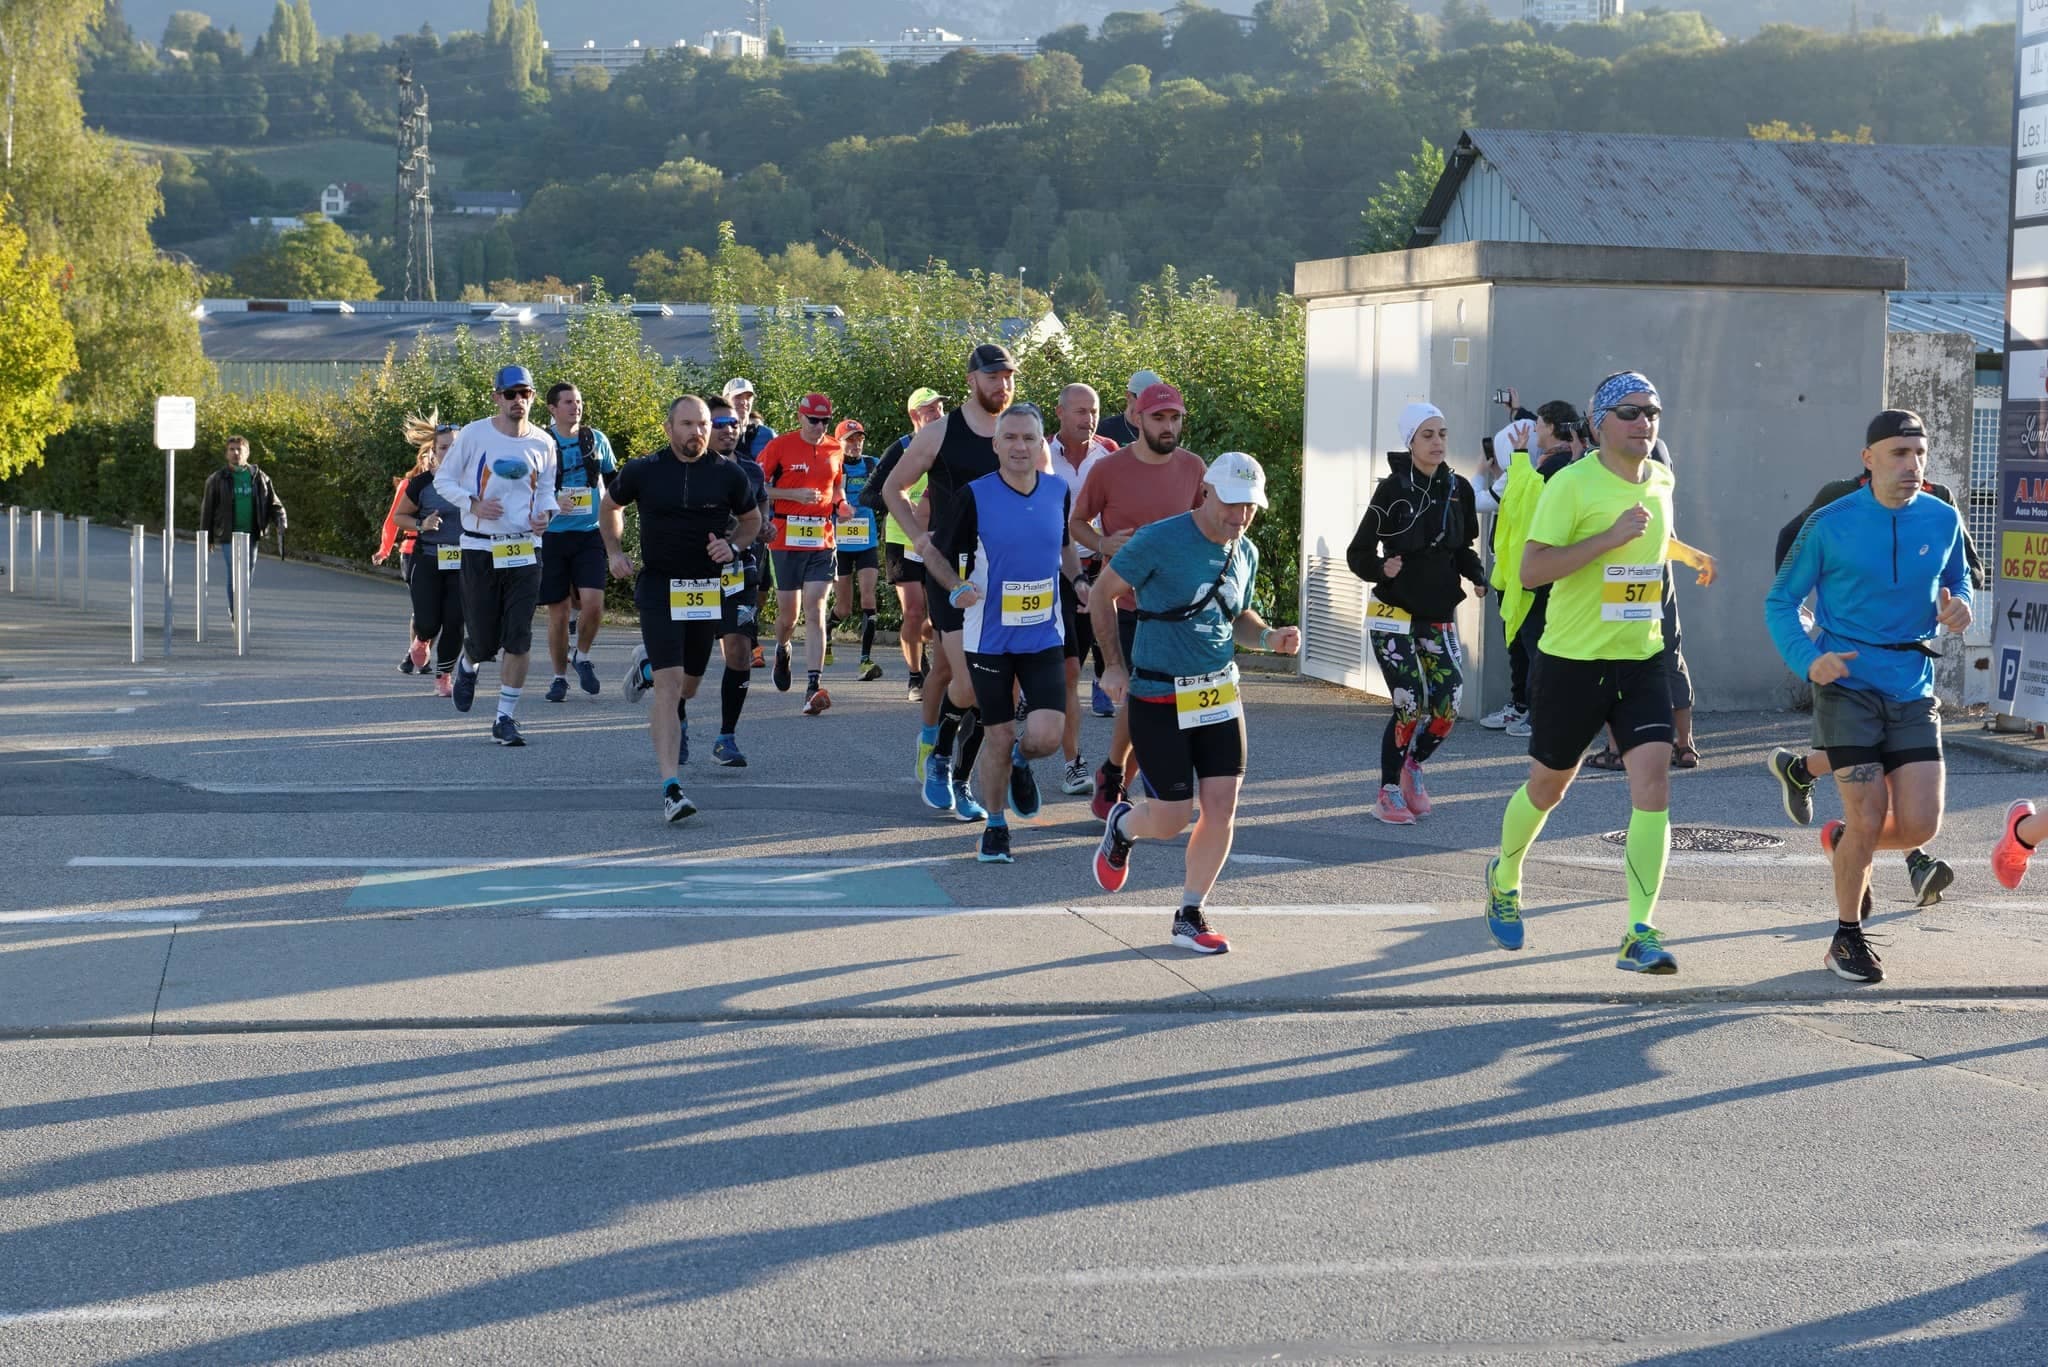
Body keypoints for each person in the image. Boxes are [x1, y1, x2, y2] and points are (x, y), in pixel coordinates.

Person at [1481, 372, 1694, 974]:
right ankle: (1505, 872)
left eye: (1652, 411)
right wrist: (1608, 537)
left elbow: (1654, 542)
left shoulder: (1662, 479)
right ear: (1600, 422)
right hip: (1573, 661)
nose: (1643, 423)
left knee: (1654, 787)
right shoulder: (1570, 485)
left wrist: (1689, 554)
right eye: (1629, 412)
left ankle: (1638, 930)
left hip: (1641, 657)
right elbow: (1531, 570)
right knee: (1549, 788)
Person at [1765, 409, 1972, 984]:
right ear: (1869, 459)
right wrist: (1811, 660)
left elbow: (1960, 578)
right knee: (1869, 815)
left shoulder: (1942, 517)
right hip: (1848, 685)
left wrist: (1958, 604)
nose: (1912, 465)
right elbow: (1779, 601)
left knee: (1920, 827)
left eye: (1920, 454)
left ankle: (1843, 843)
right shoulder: (1831, 522)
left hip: (1912, 685)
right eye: (1899, 454)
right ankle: (1846, 937)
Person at [1089, 452, 1299, 954]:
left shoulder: (1242, 550)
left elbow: (1236, 614)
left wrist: (1269, 638)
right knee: (1171, 817)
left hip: (1220, 693)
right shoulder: (1159, 539)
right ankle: (1122, 824)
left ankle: (1190, 911)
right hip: (1159, 694)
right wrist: (1114, 667)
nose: (1240, 516)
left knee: (1222, 807)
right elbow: (1102, 594)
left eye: (1250, 507)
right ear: (1206, 492)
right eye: (1232, 504)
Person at [923, 405, 1085, 863]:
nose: (1019, 446)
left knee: (1047, 736)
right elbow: (936, 554)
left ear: (1041, 445)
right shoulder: (973, 496)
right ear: (996, 445)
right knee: (996, 735)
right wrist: (956, 588)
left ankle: (1020, 763)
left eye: (1028, 439)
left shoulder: (1058, 492)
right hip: (989, 639)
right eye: (1009, 438)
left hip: (1042, 636)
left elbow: (1065, 548)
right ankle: (995, 828)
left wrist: (1080, 581)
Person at [602, 395, 762, 822]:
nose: (698, 432)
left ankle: (646, 669)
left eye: (704, 424)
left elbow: (752, 522)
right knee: (671, 692)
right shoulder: (644, 470)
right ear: (669, 427)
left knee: (689, 686)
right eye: (688, 424)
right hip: (658, 586)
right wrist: (614, 551)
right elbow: (609, 506)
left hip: (704, 589)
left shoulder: (728, 473)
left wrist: (732, 545)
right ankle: (671, 788)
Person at [883, 344, 1021, 823]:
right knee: (970, 682)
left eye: (1007, 377)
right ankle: (941, 757)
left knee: (989, 688)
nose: (1001, 386)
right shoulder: (941, 434)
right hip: (952, 573)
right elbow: (891, 489)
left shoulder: (1019, 434)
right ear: (971, 380)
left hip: (1006, 575)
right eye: (992, 377)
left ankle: (951, 766)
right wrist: (921, 540)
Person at [1069, 381, 1210, 820]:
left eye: (1175, 418)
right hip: (1127, 605)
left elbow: (1203, 528)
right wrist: (1105, 544)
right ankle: (1118, 777)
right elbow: (1077, 524)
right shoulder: (1110, 469)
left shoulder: (1193, 467)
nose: (1168, 427)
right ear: (1137, 419)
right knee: (1139, 700)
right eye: (1158, 418)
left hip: (1181, 610)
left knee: (1166, 704)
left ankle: (1116, 775)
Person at [1346, 402, 1487, 826]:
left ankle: (1413, 765)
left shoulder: (1458, 488)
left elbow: (1462, 548)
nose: (1437, 442)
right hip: (1394, 610)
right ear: (1410, 442)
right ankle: (1387, 791)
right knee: (1409, 700)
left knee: (1448, 703)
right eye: (1427, 435)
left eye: (1442, 433)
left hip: (1438, 608)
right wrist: (1379, 568)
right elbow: (1358, 552)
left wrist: (1478, 576)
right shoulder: (1392, 490)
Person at [433, 366, 558, 746]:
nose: (519, 401)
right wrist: (472, 502)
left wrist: (546, 515)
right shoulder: (474, 434)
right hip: (479, 547)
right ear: (496, 398)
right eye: (511, 394)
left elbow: (548, 490)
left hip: (524, 549)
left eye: (526, 394)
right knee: (486, 641)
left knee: (519, 637)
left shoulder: (543, 442)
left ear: (534, 398)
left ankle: (505, 717)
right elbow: (443, 480)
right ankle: (469, 665)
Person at [1479, 400, 1584, 738]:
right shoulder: (1554, 462)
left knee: (1536, 642)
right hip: (1528, 567)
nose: (1534, 429)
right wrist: (1517, 410)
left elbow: (1525, 501)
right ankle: (1526, 707)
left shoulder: (1558, 466)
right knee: (1525, 642)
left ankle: (1539, 713)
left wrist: (1520, 459)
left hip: (1539, 569)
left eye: (1538, 423)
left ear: (1552, 427)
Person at [758, 392, 856, 715]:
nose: (818, 426)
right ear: (800, 417)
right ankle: (782, 648)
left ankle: (813, 687)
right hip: (785, 539)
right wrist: (792, 493)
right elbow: (757, 487)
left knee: (816, 609)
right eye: (813, 420)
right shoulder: (779, 446)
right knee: (789, 616)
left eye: (824, 421)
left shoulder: (834, 448)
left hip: (821, 539)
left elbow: (837, 487)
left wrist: (841, 505)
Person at [1045, 382, 1119, 792]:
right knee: (1069, 670)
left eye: (1093, 411)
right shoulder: (1040, 454)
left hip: (1102, 572)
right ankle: (1074, 763)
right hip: (1053, 575)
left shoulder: (1110, 453)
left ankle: (1119, 767)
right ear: (1059, 412)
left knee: (1116, 672)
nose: (1087, 419)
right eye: (1079, 411)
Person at [865, 387, 948, 704]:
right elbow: (870, 494)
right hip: (904, 538)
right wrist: (902, 506)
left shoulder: (949, 445)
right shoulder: (900, 448)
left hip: (940, 538)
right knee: (913, 611)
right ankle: (915, 676)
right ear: (915, 416)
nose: (937, 414)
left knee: (940, 613)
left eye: (939, 408)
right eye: (929, 410)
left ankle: (934, 657)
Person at [539, 382, 618, 703]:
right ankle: (559, 678)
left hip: (589, 533)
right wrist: (553, 501)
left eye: (579, 402)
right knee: (558, 613)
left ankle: (581, 656)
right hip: (551, 536)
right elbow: (526, 489)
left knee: (594, 604)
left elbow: (616, 486)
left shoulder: (596, 439)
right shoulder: (540, 442)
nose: (576, 407)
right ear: (552, 409)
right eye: (569, 402)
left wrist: (617, 527)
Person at [706, 394, 771, 766]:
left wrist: (764, 525)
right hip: (696, 574)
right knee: (690, 661)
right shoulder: (691, 468)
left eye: (733, 424)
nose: (729, 430)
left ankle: (726, 737)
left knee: (740, 652)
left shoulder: (751, 469)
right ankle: (677, 718)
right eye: (720, 424)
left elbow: (761, 503)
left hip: (740, 571)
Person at [387, 417, 464, 696]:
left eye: (455, 448)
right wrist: (422, 525)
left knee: (456, 620)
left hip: (463, 561)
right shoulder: (421, 484)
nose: (450, 453)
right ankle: (421, 639)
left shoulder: (476, 481)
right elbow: (399, 516)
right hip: (428, 558)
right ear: (433, 452)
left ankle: (444, 676)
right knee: (429, 621)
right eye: (444, 448)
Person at [373, 419, 446, 675]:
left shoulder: (456, 482)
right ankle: (415, 650)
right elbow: (393, 519)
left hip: (449, 554)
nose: (430, 459)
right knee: (424, 607)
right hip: (412, 552)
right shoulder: (412, 484)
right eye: (426, 455)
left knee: (442, 609)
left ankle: (420, 651)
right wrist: (384, 549)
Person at [199, 434, 287, 629]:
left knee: (246, 575)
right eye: (232, 449)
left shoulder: (259, 477)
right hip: (229, 534)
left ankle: (240, 607)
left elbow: (274, 503)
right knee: (234, 574)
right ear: (226, 454)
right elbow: (208, 508)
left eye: (240, 449)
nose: (236, 453)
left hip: (251, 534)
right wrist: (207, 537)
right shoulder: (217, 478)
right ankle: (237, 615)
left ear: (247, 453)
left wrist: (281, 521)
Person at [830, 419, 886, 681]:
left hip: (866, 541)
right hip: (840, 544)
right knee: (843, 609)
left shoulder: (873, 464)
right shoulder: (832, 465)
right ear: (839, 442)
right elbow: (822, 499)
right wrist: (837, 511)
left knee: (868, 598)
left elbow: (888, 491)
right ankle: (827, 636)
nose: (855, 444)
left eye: (859, 439)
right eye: (850, 439)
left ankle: (865, 659)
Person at [1096, 368, 1162, 449]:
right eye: (1145, 399)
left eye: (1155, 399)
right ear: (1128, 396)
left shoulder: (1161, 430)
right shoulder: (1105, 430)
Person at [723, 377, 776, 461]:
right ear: (725, 400)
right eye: (738, 397)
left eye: (748, 398)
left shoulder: (767, 435)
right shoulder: (717, 433)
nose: (744, 402)